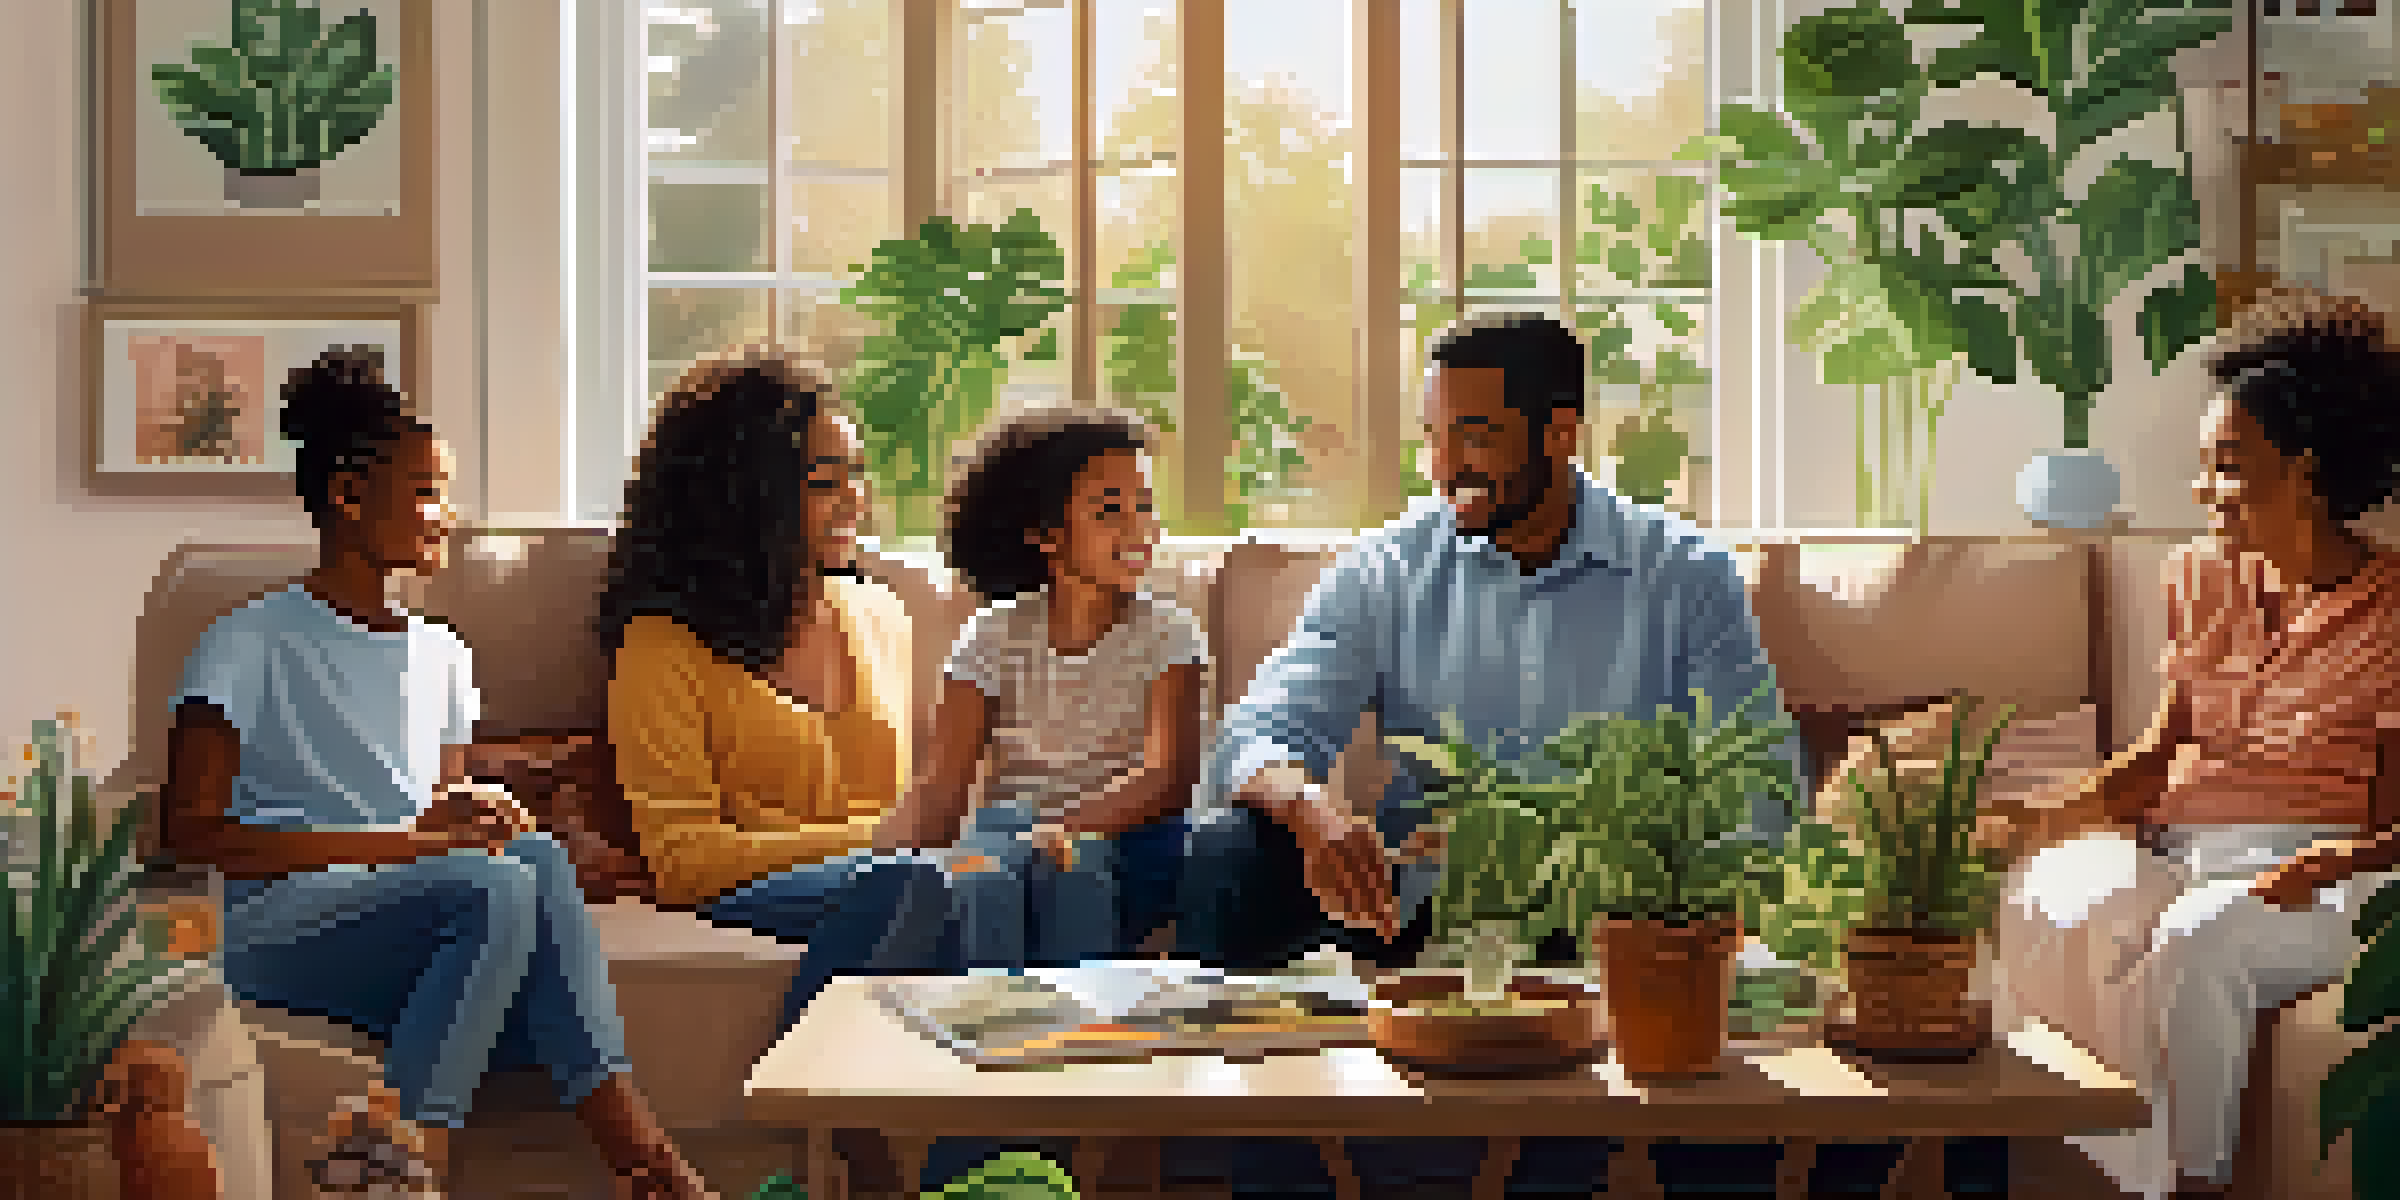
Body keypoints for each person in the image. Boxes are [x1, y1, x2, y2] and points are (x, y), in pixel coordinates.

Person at [1176, 312, 1799, 1193]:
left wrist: (1619, 862)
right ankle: (1246, 1167)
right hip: (1414, 912)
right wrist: (1313, 811)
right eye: (1434, 438)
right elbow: (1256, 731)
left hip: (1608, 916)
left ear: (1560, 433)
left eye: (1475, 437)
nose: (1444, 469)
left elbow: (1761, 786)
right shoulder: (1385, 570)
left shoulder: (1684, 575)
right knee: (1232, 852)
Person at [161, 349, 713, 1199]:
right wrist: (407, 845)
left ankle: (432, 1166)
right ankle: (603, 1162)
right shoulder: (243, 645)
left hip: (407, 913)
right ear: (348, 496)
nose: (446, 516)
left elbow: (437, 811)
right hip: (278, 930)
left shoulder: (445, 655)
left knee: (530, 863)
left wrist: (479, 810)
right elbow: (189, 832)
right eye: (425, 491)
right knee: (492, 893)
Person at [1995, 286, 2400, 1200]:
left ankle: (2195, 1180)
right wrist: (2029, 824)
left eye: (2226, 464)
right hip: (2187, 850)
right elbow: (2155, 759)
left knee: (2197, 938)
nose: (2201, 489)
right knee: (2051, 897)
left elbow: (2392, 820)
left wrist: (2337, 864)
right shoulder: (2201, 575)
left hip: (2330, 875)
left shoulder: (2391, 611)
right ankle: (2114, 1163)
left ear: (2303, 470)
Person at [599, 346, 951, 1031]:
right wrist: (882, 837)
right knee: (912, 883)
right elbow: (683, 861)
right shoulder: (661, 645)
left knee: (1001, 875)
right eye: (825, 481)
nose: (856, 499)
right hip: (756, 888)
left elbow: (920, 794)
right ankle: (816, 1100)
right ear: (747, 493)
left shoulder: (881, 614)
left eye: (855, 475)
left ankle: (1004, 1124)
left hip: (893, 870)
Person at [873, 406, 1207, 966]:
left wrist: (1056, 831)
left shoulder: (1168, 634)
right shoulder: (993, 635)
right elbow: (943, 786)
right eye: (1110, 512)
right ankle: (988, 1014)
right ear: (1044, 535)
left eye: (1145, 507)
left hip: (1136, 842)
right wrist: (884, 863)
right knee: (975, 862)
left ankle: (1069, 1033)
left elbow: (1166, 782)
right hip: (1009, 841)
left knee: (1063, 858)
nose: (1140, 529)